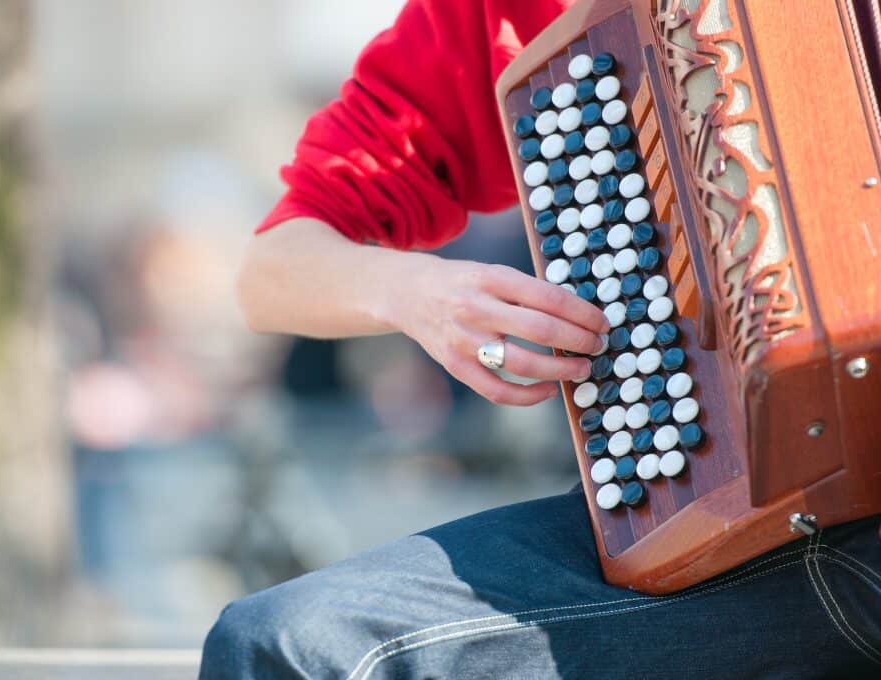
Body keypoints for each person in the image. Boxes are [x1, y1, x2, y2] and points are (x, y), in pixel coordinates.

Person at [199, 1, 881, 677]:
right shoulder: (518, 12)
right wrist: (418, 294)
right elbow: (273, 272)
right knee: (286, 642)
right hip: (757, 528)